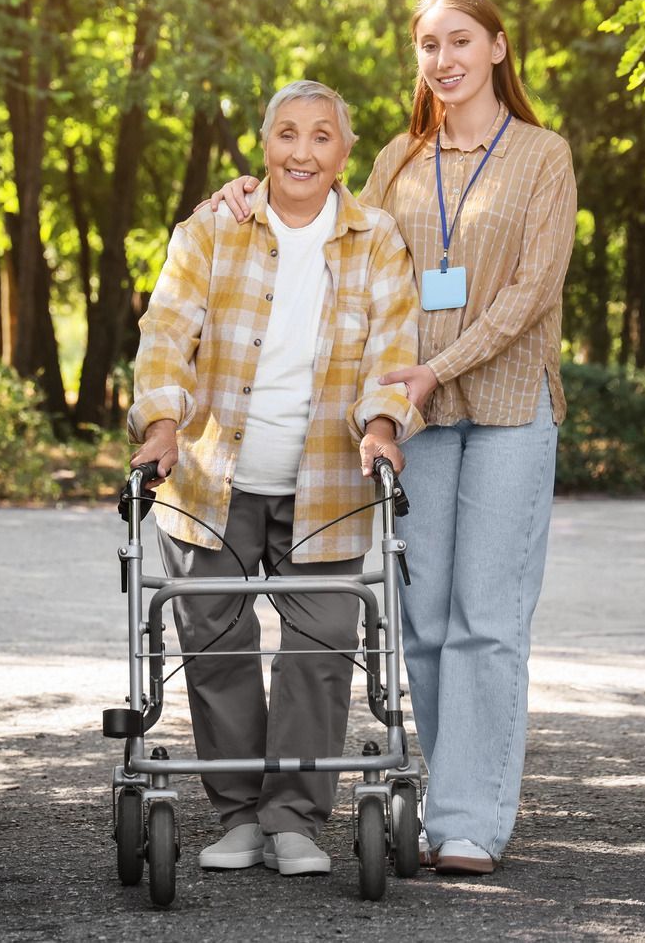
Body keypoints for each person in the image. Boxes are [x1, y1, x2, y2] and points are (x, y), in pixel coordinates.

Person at [205, 0, 577, 876]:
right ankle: (442, 792)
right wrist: (249, 194)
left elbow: (533, 293)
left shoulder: (542, 155)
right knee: (422, 622)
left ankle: (469, 820)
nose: (442, 60)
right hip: (413, 421)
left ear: (497, 46)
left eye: (458, 41)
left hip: (507, 407)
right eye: (426, 45)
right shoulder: (400, 160)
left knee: (486, 618)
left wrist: (436, 368)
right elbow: (337, 228)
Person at [127, 80, 424, 877]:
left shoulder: (378, 240)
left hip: (327, 479)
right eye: (286, 134)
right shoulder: (213, 227)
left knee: (321, 644)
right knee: (214, 638)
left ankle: (294, 818)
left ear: (344, 153)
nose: (302, 151)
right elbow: (165, 331)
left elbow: (392, 353)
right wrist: (160, 423)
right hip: (211, 478)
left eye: (321, 136)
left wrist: (384, 424)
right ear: (264, 145)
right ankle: (238, 816)